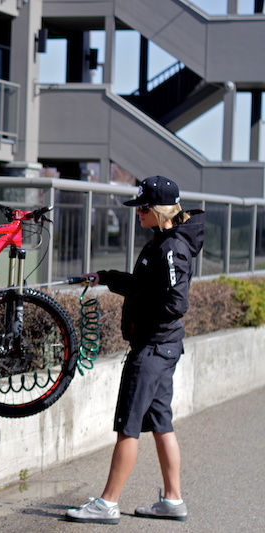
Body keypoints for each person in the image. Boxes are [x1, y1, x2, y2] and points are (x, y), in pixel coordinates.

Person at [65, 176, 204, 525]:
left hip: (153, 349)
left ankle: (107, 503)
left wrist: (144, 317)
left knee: (128, 426)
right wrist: (105, 276)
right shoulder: (162, 241)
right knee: (161, 422)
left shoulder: (171, 248)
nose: (137, 214)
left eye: (142, 208)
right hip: (163, 347)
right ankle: (173, 501)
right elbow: (145, 286)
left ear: (158, 211)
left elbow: (176, 302)